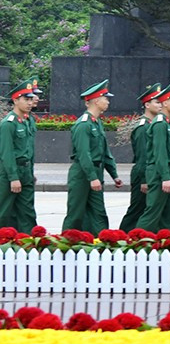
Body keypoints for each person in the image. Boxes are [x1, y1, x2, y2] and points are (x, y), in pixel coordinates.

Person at [63, 80, 117, 235]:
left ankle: (100, 244)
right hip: (82, 174)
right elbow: (83, 153)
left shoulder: (96, 122)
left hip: (95, 172)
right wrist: (92, 177)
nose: (108, 101)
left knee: (98, 213)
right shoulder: (83, 124)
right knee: (76, 213)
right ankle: (65, 245)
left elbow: (105, 152)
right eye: (105, 98)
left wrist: (114, 174)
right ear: (96, 101)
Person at [143, 81, 170, 236]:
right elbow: (160, 153)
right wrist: (165, 177)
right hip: (160, 172)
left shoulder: (167, 123)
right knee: (153, 212)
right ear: (165, 103)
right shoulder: (160, 124)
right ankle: (135, 242)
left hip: (167, 170)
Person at [1, 80, 41, 232]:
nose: (30, 103)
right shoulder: (8, 124)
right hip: (10, 173)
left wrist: (30, 172)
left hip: (26, 172)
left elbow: (29, 150)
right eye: (26, 99)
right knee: (4, 211)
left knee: (27, 212)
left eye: (31, 99)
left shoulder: (28, 120)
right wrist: (13, 177)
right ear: (16, 100)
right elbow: (6, 153)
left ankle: (28, 245)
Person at [120, 84, 159, 229]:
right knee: (137, 210)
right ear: (147, 105)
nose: (160, 105)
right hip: (143, 173)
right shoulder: (143, 127)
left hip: (149, 173)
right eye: (157, 102)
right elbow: (143, 156)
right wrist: (145, 179)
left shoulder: (153, 124)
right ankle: (121, 238)